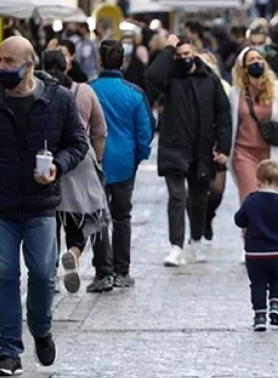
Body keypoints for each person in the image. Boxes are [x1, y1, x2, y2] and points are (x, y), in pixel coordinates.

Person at [0, 36, 88, 378]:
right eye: (0, 60)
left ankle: (41, 328)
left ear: (29, 65)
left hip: (41, 204)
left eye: (10, 61)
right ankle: (9, 350)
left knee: (42, 273)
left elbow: (78, 141)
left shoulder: (56, 99)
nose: (3, 67)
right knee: (7, 276)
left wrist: (58, 164)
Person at [145, 34, 233, 267]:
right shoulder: (170, 77)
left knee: (198, 198)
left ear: (194, 54)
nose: (184, 58)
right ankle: (176, 246)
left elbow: (223, 115)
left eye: (187, 54)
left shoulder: (210, 80)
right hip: (175, 145)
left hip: (202, 147)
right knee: (177, 196)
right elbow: (153, 76)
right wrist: (167, 49)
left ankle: (196, 241)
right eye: (179, 55)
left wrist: (223, 146)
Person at [41, 50, 111, 294]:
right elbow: (100, 131)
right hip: (80, 160)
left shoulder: (37, 90)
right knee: (82, 218)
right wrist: (98, 158)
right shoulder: (83, 91)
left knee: (48, 220)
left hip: (46, 160)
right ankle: (73, 253)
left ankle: (48, 273)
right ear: (67, 66)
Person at [91, 40, 154, 289]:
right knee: (122, 216)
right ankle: (122, 270)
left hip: (95, 162)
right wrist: (138, 157)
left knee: (97, 216)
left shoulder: (89, 90)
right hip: (125, 162)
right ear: (123, 62)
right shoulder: (135, 93)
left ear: (100, 62)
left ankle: (103, 272)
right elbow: (145, 131)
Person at [234, 160, 278, 332]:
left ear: (258, 180)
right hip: (277, 251)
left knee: (258, 284)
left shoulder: (251, 201)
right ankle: (276, 305)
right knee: (277, 279)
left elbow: (239, 220)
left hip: (255, 253)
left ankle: (260, 316)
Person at [229, 48, 278, 202]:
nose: (257, 62)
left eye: (259, 59)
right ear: (243, 68)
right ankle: (249, 227)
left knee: (271, 201)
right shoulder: (236, 93)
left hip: (271, 154)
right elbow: (229, 123)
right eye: (252, 60)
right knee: (250, 200)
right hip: (243, 153)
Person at [198, 51, 233, 241]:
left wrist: (224, 146)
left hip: (218, 143)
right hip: (197, 144)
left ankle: (208, 216)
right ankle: (197, 225)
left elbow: (228, 118)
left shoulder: (224, 87)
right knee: (197, 189)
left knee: (217, 190)